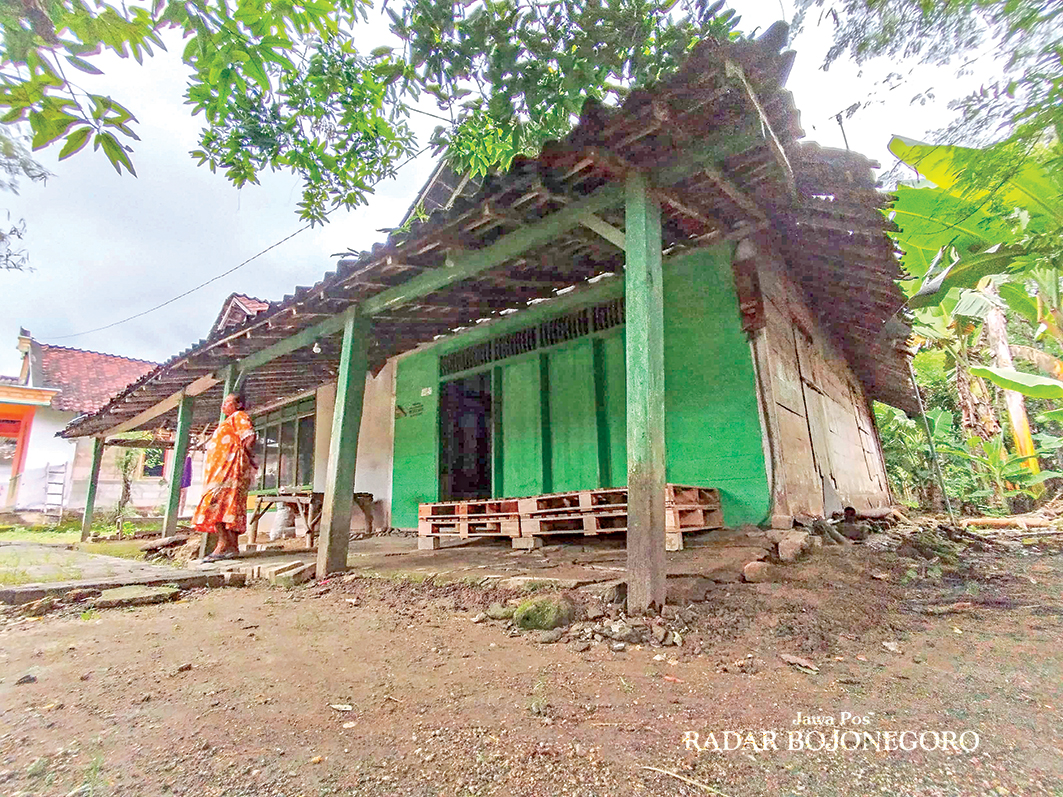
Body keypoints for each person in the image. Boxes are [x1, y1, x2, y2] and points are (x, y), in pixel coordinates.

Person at [193, 394, 257, 561]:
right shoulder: (228, 420)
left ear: (239, 404)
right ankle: (232, 547)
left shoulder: (239, 416)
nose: (224, 405)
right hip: (220, 470)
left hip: (230, 469)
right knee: (229, 506)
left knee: (217, 503)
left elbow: (249, 437)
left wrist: (248, 458)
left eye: (228, 402)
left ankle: (222, 546)